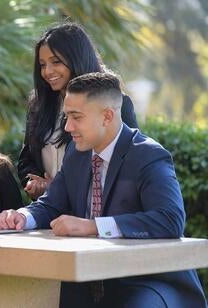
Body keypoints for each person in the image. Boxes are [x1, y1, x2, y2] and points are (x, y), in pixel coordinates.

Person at [0, 73, 207, 308]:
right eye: (66, 117)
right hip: (86, 281)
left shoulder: (148, 155)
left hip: (148, 283)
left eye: (76, 117)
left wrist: (93, 226)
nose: (68, 127)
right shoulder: (77, 154)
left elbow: (170, 220)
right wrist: (21, 218)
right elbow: (50, 204)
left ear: (107, 116)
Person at [18, 22, 138, 200]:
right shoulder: (38, 105)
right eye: (42, 65)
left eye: (56, 62)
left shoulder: (118, 104)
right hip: (48, 211)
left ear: (77, 58)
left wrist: (59, 186)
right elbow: (26, 159)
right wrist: (34, 184)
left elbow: (125, 165)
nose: (47, 71)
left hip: (94, 213)